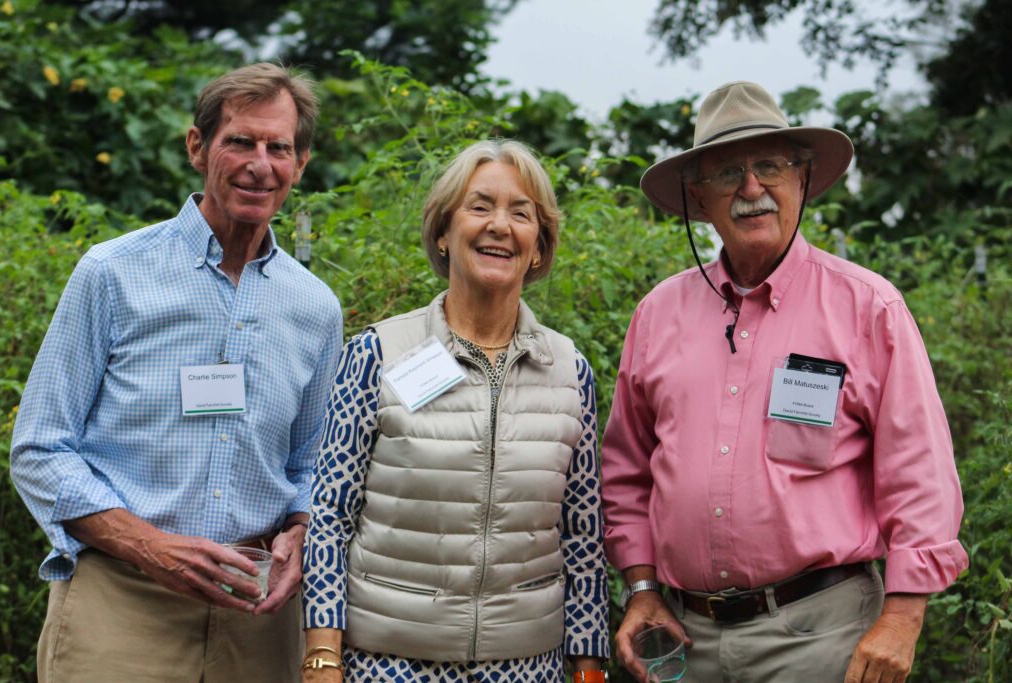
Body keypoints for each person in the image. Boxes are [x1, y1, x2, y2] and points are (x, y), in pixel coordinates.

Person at [601, 81, 968, 683]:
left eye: (769, 165)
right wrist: (641, 587)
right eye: (727, 173)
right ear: (699, 197)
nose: (751, 189)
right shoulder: (657, 315)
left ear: (802, 178)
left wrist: (903, 618)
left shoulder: (867, 306)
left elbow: (919, 471)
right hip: (683, 641)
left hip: (822, 636)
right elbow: (625, 471)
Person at [10, 62, 343, 682]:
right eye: (240, 141)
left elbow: (310, 465)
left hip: (258, 615)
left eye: (280, 147)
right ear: (198, 146)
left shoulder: (316, 307)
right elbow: (39, 449)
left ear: (301, 164)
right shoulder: (112, 274)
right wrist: (150, 546)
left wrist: (301, 527)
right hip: (122, 605)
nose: (260, 163)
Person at [300, 140, 609, 682]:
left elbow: (582, 536)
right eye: (480, 205)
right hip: (389, 665)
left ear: (539, 246)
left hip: (525, 669)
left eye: (521, 212)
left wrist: (588, 668)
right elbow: (329, 514)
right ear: (443, 233)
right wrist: (322, 657)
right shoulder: (376, 355)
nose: (500, 225)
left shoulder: (569, 370)